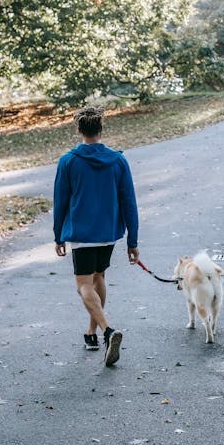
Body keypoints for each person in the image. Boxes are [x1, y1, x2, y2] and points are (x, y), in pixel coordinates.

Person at [53, 106, 140, 367]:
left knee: (83, 285)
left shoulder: (68, 161)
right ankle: (91, 334)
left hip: (82, 232)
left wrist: (58, 235)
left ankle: (107, 330)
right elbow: (129, 201)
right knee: (99, 277)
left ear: (79, 129)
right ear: (101, 129)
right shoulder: (118, 160)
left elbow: (61, 201)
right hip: (108, 233)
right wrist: (132, 240)